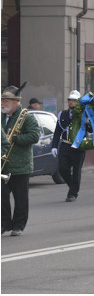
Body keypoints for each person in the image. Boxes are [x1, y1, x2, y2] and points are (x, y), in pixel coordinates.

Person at [1, 85, 40, 236]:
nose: (2, 103)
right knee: (2, 196)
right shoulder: (1, 117)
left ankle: (18, 225)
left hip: (20, 165)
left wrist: (14, 138)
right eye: (1, 100)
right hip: (3, 164)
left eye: (5, 100)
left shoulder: (26, 117)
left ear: (15, 102)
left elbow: (34, 136)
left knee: (20, 198)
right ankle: (4, 224)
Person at [52, 90, 85, 202]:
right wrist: (54, 146)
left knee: (76, 171)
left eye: (74, 100)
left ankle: (73, 193)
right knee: (62, 168)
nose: (71, 102)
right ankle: (73, 185)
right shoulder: (63, 114)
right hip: (65, 145)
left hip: (78, 146)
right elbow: (57, 132)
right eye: (70, 100)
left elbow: (90, 129)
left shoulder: (83, 114)